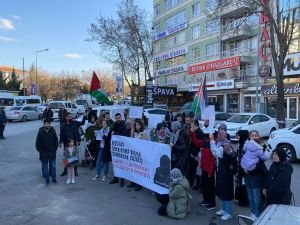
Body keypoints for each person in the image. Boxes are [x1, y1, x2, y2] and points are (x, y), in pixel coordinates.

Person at [209, 130, 236, 220]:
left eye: (219, 135)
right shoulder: (225, 143)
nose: (218, 136)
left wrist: (212, 141)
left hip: (226, 172)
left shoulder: (223, 145)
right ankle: (223, 209)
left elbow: (216, 153)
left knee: (226, 191)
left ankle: (228, 212)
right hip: (223, 171)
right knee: (222, 190)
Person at [243, 130, 268, 220]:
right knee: (250, 197)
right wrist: (244, 168)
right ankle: (252, 213)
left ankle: (257, 215)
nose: (254, 137)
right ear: (249, 137)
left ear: (258, 136)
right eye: (252, 135)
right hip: (247, 176)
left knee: (256, 198)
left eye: (255, 135)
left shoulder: (260, 148)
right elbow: (244, 160)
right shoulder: (246, 147)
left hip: (256, 176)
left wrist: (249, 170)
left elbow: (261, 165)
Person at [59, 112, 86, 176]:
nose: (71, 117)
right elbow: (61, 134)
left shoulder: (75, 123)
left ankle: (75, 171)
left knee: (75, 158)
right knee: (66, 158)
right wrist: (60, 142)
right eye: (69, 116)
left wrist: (84, 117)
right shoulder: (63, 125)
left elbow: (82, 123)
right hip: (66, 144)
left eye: (71, 116)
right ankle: (65, 171)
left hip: (74, 143)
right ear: (66, 118)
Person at [35, 119, 58, 185]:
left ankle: (54, 178)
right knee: (45, 168)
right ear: (43, 124)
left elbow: (56, 141)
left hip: (52, 152)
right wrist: (41, 152)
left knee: (53, 166)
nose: (46, 125)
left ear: (49, 124)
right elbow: (37, 144)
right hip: (43, 153)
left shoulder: (52, 130)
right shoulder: (40, 132)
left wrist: (54, 150)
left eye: (48, 123)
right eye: (45, 124)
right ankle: (47, 180)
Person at [128, 119, 147, 191]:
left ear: (141, 126)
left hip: (140, 154)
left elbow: (143, 144)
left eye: (137, 125)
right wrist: (132, 132)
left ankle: (139, 185)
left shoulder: (143, 133)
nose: (136, 127)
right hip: (134, 153)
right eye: (135, 125)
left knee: (138, 170)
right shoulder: (135, 132)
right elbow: (131, 140)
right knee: (133, 168)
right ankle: (132, 182)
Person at [109, 113, 126, 187]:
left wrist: (115, 133)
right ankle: (116, 178)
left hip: (122, 147)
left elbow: (123, 134)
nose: (118, 119)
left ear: (121, 118)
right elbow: (111, 131)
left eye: (119, 118)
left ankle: (122, 180)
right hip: (115, 147)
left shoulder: (123, 124)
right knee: (115, 163)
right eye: (116, 118)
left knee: (121, 164)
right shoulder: (115, 124)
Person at [235, 130, 250, 206]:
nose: (237, 137)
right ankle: (241, 199)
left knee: (243, 184)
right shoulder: (240, 143)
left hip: (244, 168)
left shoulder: (246, 144)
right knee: (240, 183)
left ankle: (244, 201)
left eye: (238, 135)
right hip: (240, 167)